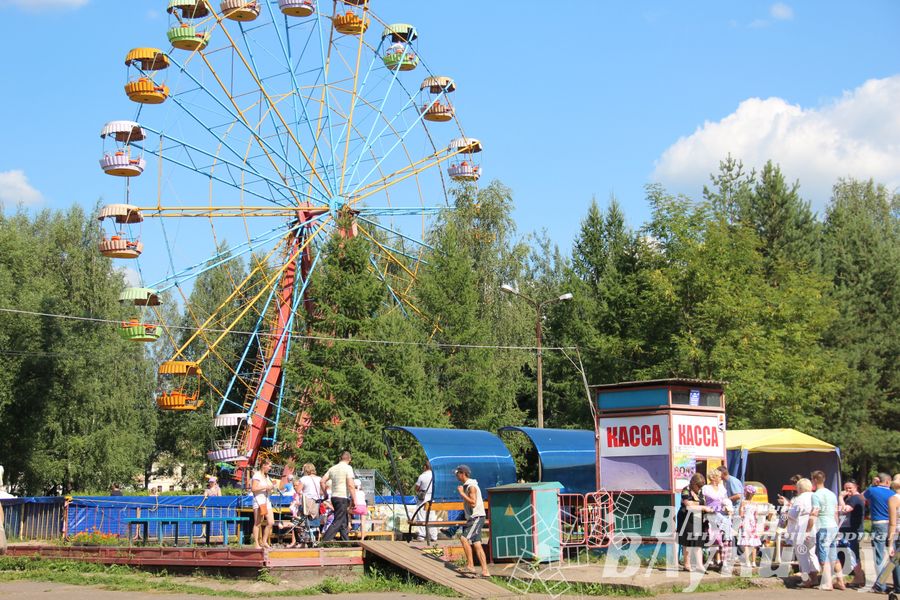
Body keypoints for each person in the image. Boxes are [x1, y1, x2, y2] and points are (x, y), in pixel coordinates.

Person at [809, 470, 843, 590]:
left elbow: (815, 513)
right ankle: (840, 581)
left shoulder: (816, 495)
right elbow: (835, 513)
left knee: (823, 556)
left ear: (814, 480)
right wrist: (837, 527)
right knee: (833, 555)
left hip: (823, 527)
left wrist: (808, 529)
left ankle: (827, 583)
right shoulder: (832, 494)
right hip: (833, 526)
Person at [784, 477, 820, 586]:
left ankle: (806, 580)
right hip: (814, 527)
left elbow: (793, 515)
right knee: (812, 553)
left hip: (801, 528)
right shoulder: (815, 496)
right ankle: (815, 578)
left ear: (799, 488)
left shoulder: (799, 499)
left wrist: (787, 513)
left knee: (801, 555)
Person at [455, 465, 489, 578]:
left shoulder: (471, 487)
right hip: (474, 517)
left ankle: (470, 565)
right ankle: (485, 571)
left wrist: (462, 493)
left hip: (476, 517)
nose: (456, 475)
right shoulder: (468, 485)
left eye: (457, 473)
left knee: (464, 538)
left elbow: (473, 503)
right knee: (477, 544)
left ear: (463, 473)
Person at [865, 472, 895, 593]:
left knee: (879, 554)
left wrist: (873, 484)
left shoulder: (873, 490)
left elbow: (862, 497)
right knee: (893, 554)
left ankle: (880, 585)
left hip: (878, 523)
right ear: (888, 482)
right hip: (892, 524)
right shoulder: (893, 494)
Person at [702, 469, 734, 572]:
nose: (721, 478)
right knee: (715, 538)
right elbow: (703, 501)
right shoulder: (706, 488)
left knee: (726, 536)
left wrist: (729, 508)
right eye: (718, 477)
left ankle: (724, 563)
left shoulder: (721, 488)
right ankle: (711, 560)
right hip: (711, 514)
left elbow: (725, 500)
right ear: (713, 478)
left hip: (722, 514)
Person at [320, 451, 356, 542]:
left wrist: (325, 494)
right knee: (338, 521)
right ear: (349, 459)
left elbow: (322, 481)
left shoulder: (333, 468)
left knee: (343, 522)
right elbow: (351, 485)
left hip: (334, 497)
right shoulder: (348, 468)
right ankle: (324, 541)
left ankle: (346, 542)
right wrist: (354, 500)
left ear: (340, 458)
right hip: (342, 497)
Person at [678, 472, 711, 572]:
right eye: (698, 486)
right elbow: (688, 506)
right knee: (687, 541)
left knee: (698, 541)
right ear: (693, 483)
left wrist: (696, 504)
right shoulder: (686, 490)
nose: (700, 488)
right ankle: (687, 564)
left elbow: (698, 503)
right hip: (686, 518)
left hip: (698, 518)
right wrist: (702, 507)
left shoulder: (700, 492)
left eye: (701, 486)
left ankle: (699, 565)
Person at [837, 478, 865, 587]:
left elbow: (844, 510)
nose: (848, 490)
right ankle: (858, 577)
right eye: (846, 488)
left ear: (856, 487)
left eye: (850, 488)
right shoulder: (854, 498)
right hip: (851, 530)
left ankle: (859, 577)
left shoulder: (854, 498)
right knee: (852, 554)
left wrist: (840, 497)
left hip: (852, 530)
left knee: (853, 554)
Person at [874, 479, 900, 595]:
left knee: (895, 559)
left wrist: (890, 543)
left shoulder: (894, 499)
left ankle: (880, 583)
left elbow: (893, 523)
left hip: (898, 532)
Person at [251, 458, 279, 549]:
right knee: (258, 522)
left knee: (271, 522)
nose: (270, 468)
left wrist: (271, 487)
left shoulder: (267, 476)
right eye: (269, 466)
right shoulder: (257, 475)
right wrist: (265, 486)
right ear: (264, 465)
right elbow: (254, 489)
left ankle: (264, 541)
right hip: (259, 501)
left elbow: (267, 488)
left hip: (267, 500)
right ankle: (256, 543)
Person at [738, 485, 762, 567]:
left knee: (746, 543)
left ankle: (747, 561)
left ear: (746, 493)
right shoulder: (755, 504)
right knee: (754, 543)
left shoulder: (743, 503)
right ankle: (754, 562)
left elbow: (741, 514)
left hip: (745, 523)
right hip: (753, 524)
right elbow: (756, 515)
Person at [414, 461, 437, 543]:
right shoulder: (435, 476)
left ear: (425, 467)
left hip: (423, 498)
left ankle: (421, 535)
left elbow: (417, 488)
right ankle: (434, 535)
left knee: (421, 516)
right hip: (432, 498)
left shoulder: (422, 476)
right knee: (432, 516)